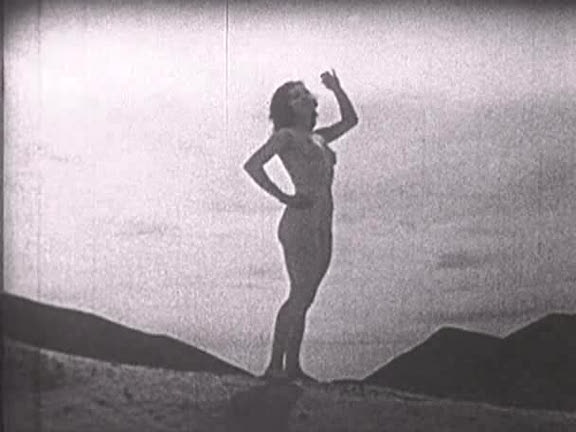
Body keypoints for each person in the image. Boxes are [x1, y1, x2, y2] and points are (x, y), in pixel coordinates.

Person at [243, 70, 358, 382]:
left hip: (323, 222)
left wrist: (337, 88)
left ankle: (292, 367)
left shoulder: (319, 137)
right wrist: (284, 197)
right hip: (300, 223)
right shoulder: (286, 136)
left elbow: (350, 121)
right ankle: (274, 367)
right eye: (295, 96)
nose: (304, 97)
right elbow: (253, 165)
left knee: (306, 297)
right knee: (299, 293)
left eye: (304, 92)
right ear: (287, 108)